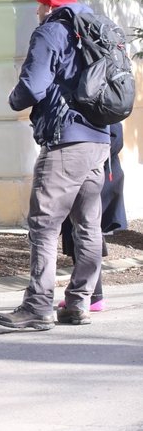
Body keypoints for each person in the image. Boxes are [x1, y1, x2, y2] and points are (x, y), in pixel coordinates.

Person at [0, 0, 111, 331]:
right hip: (99, 139)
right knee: (88, 226)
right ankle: (78, 303)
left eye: (39, 4)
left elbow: (33, 85)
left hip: (65, 141)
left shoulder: (52, 31)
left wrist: (15, 99)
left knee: (44, 224)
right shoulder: (97, 30)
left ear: (47, 5)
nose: (37, 10)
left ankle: (38, 305)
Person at [58, 122, 127, 313]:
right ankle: (93, 295)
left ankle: (92, 296)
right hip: (98, 171)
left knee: (84, 231)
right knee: (85, 231)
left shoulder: (91, 100)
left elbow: (114, 137)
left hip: (94, 173)